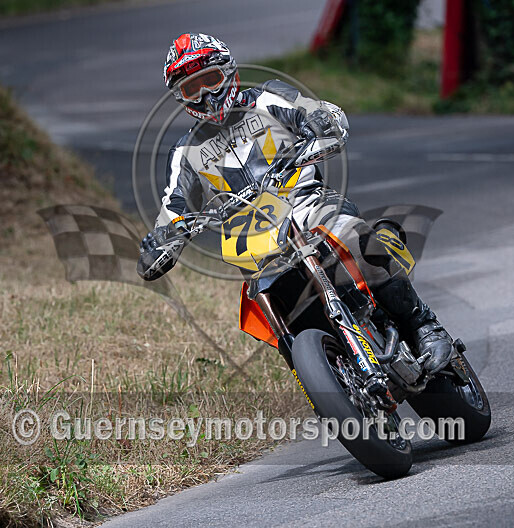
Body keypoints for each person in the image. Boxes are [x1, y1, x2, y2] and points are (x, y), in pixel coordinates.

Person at [137, 33, 452, 373]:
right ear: (180, 97)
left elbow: (314, 113)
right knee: (260, 300)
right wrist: (161, 241)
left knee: (352, 237)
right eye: (191, 89)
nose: (205, 95)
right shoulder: (184, 153)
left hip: (308, 204)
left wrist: (321, 124)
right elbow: (173, 206)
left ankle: (423, 324)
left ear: (228, 73)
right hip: (252, 243)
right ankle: (320, 373)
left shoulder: (268, 98)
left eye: (210, 80)